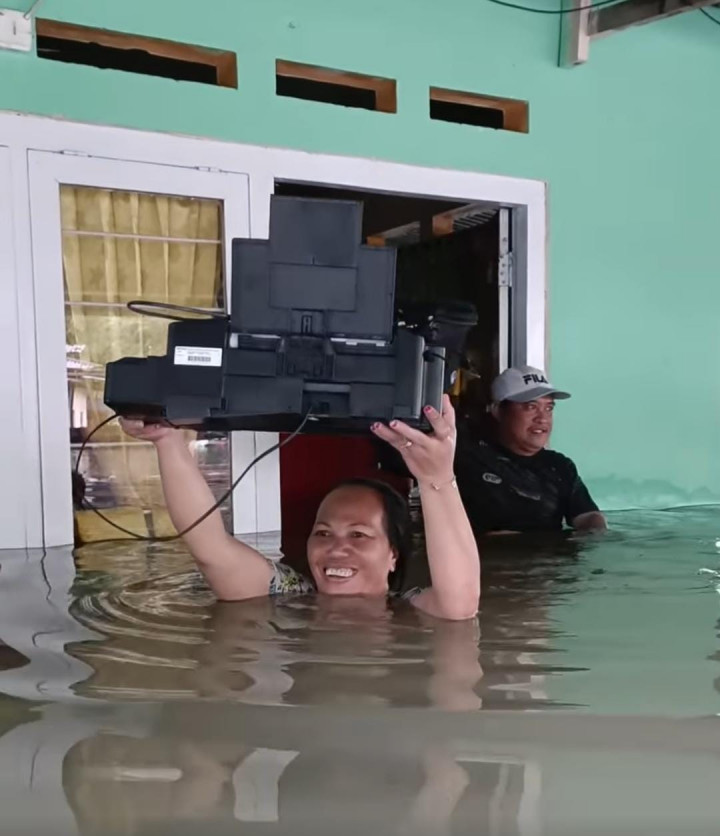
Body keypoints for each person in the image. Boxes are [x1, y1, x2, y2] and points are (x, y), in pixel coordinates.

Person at [120, 395, 480, 621]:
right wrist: (167, 441)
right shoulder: (288, 596)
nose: (336, 548)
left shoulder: (408, 612)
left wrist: (437, 478)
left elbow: (460, 603)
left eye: (358, 534)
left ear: (393, 555)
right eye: (322, 533)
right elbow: (211, 549)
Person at [454, 365, 607, 537]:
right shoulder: (468, 460)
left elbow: (588, 516)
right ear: (498, 411)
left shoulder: (559, 466)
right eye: (531, 407)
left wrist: (595, 531)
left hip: (549, 553)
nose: (542, 418)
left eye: (549, 408)